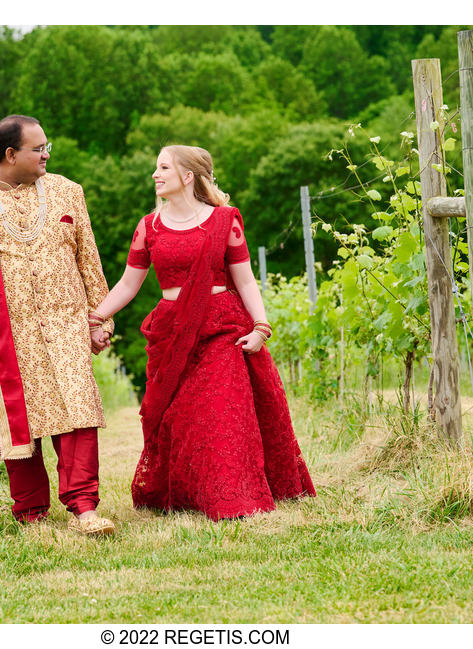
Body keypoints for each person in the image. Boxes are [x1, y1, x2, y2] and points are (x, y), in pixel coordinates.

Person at [90, 145, 315, 520]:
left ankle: (232, 500)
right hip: (173, 332)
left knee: (219, 412)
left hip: (222, 328)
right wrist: (96, 316)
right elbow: (129, 285)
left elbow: (245, 281)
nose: (155, 174)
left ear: (188, 176)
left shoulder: (225, 221)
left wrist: (261, 327)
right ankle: (192, 493)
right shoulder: (149, 226)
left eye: (163, 167)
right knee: (182, 416)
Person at [0, 115, 116, 535]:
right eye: (38, 148)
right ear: (11, 155)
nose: (47, 154)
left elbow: (89, 258)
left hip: (65, 322)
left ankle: (85, 508)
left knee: (79, 411)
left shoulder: (68, 192)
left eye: (48, 146)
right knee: (17, 418)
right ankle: (31, 515)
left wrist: (100, 317)